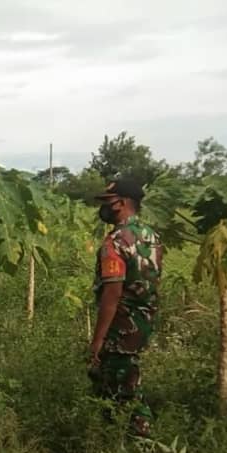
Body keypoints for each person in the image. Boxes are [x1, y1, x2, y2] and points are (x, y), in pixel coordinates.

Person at [88, 177, 163, 437]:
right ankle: (112, 437)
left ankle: (143, 443)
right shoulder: (152, 236)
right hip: (144, 322)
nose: (104, 208)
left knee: (123, 389)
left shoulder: (115, 242)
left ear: (121, 203)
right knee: (117, 382)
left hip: (120, 327)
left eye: (107, 202)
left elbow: (112, 293)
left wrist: (97, 340)